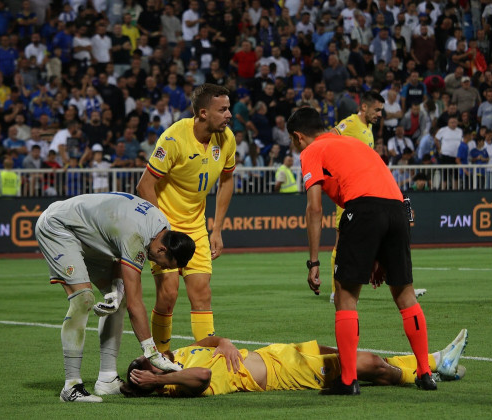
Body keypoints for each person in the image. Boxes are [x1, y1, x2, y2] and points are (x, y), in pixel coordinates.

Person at [287, 107, 437, 394]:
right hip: (397, 208)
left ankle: (348, 380)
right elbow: (382, 192)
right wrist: (379, 256)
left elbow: (315, 208)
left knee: (345, 294)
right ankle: (425, 372)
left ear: (298, 137)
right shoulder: (354, 143)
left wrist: (313, 262)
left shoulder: (312, 151)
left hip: (364, 208)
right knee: (405, 294)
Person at [35, 193, 196, 402]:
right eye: (166, 263)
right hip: (57, 226)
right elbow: (136, 302)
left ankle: (107, 379)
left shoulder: (161, 228)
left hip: (87, 234)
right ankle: (71, 387)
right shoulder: (136, 236)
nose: (163, 267)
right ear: (162, 248)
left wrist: (116, 293)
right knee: (83, 299)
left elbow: (121, 257)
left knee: (118, 302)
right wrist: (152, 352)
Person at [136, 84, 236, 354]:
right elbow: (144, 186)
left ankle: (204, 358)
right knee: (168, 295)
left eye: (229, 108)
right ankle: (159, 358)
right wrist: (160, 232)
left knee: (202, 293)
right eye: (223, 109)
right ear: (203, 113)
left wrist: (216, 230)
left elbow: (227, 181)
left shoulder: (226, 139)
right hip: (166, 228)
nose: (229, 115)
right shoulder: (173, 139)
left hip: (196, 227)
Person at [121, 329, 468, 397]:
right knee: (371, 365)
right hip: (283, 373)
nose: (157, 355)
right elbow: (204, 376)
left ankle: (434, 361)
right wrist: (153, 383)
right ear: (153, 376)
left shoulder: (178, 354)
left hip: (280, 352)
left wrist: (224, 342)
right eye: (150, 362)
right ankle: (429, 368)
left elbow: (211, 341)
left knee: (349, 352)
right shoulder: (175, 382)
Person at [327, 91, 385, 303]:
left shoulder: (368, 129)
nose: (379, 114)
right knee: (341, 241)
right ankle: (335, 290)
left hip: (363, 192)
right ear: (364, 107)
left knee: (362, 240)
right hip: (348, 192)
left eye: (381, 110)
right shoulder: (350, 123)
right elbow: (328, 138)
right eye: (377, 110)